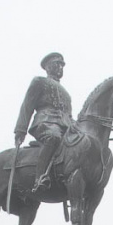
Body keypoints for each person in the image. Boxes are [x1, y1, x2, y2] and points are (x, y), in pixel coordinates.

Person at [14, 52, 73, 192]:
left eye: (61, 65)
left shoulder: (67, 94)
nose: (60, 67)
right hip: (45, 122)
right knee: (53, 137)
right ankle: (39, 177)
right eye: (56, 64)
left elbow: (69, 115)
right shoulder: (39, 82)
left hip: (66, 126)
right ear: (47, 67)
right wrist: (20, 130)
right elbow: (27, 105)